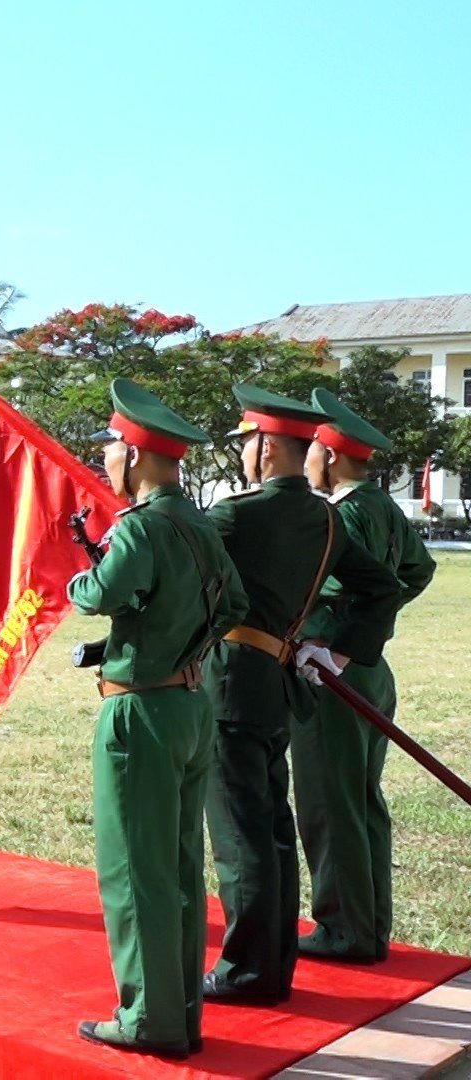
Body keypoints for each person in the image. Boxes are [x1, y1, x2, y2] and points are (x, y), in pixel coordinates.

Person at [202, 384, 400, 1006]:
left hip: (232, 679)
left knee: (239, 832)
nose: (242, 455)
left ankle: (249, 971)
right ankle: (277, 959)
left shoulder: (236, 515)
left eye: (246, 443)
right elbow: (383, 589)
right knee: (275, 824)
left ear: (264, 449)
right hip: (280, 678)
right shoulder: (325, 518)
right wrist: (338, 647)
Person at [69, 379, 247, 1060]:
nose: (107, 458)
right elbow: (233, 605)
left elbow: (100, 594)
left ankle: (150, 1019)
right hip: (189, 704)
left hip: (139, 710)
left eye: (113, 446)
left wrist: (78, 574)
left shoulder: (142, 528)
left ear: (138, 456)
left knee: (134, 868)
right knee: (178, 866)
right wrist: (192, 652)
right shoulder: (199, 523)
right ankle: (181, 1012)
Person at [293, 389, 434, 964]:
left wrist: (338, 639)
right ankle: (370, 925)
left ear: (328, 455)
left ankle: (343, 930)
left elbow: (322, 587)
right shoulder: (384, 509)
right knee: (362, 799)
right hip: (371, 671)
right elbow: (417, 571)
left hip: (335, 674)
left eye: (310, 450)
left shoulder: (340, 515)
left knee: (330, 802)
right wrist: (374, 629)